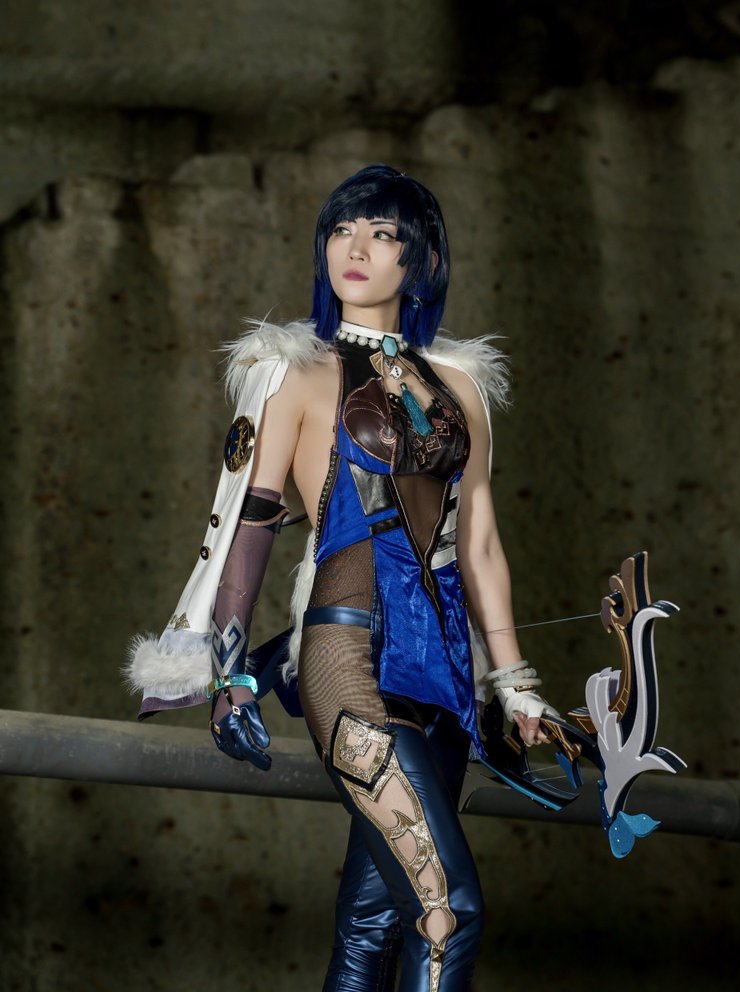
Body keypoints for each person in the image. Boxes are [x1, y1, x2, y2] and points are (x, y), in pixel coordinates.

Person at [126, 164, 552, 992]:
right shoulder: (292, 371)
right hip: (346, 657)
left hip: (447, 675)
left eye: (382, 234)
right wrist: (229, 678)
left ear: (421, 260)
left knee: (372, 924)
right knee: (447, 910)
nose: (355, 249)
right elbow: (247, 527)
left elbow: (481, 545)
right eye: (341, 231)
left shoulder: (460, 386)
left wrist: (518, 684)